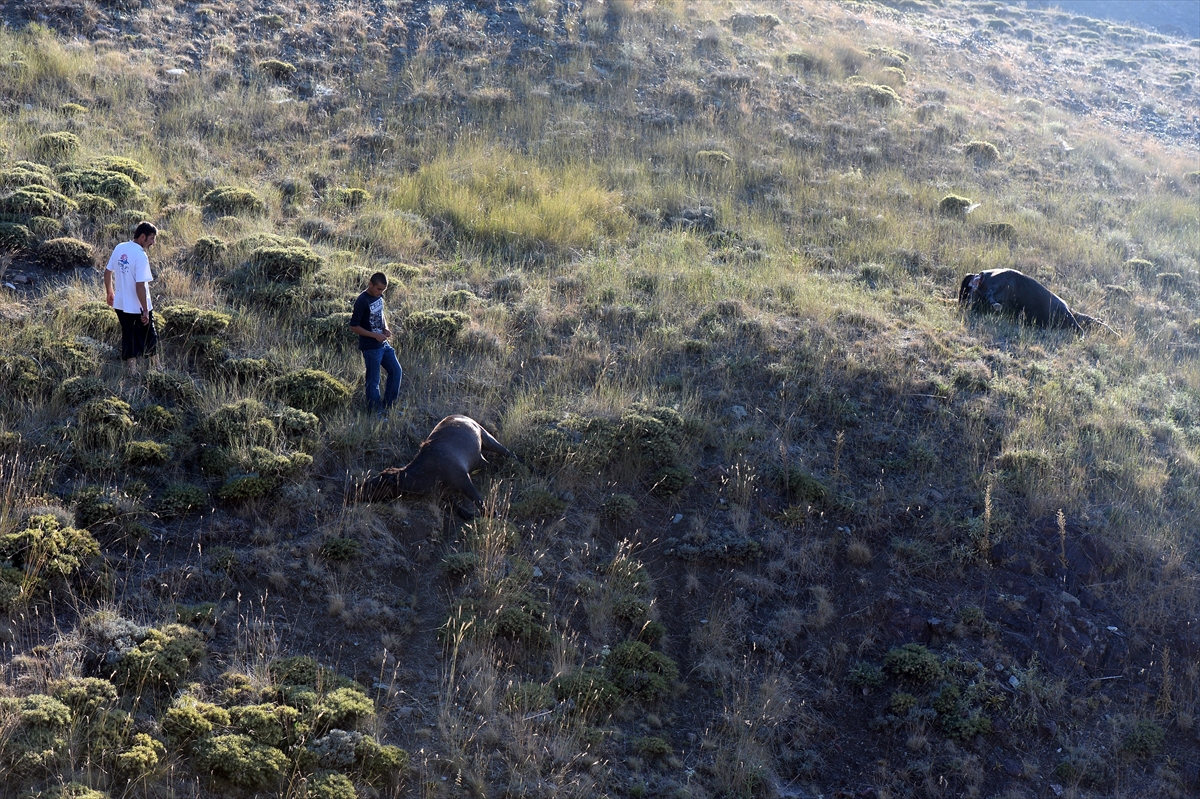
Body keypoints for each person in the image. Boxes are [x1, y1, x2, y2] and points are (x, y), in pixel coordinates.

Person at [104, 221, 158, 376]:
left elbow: (107, 272)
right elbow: (140, 286)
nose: (153, 242)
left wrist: (109, 292)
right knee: (149, 334)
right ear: (142, 237)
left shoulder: (120, 247)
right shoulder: (141, 255)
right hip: (137, 306)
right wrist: (146, 310)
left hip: (120, 304)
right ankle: (157, 366)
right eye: (151, 238)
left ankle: (132, 371)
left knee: (129, 335)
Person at [348, 271, 402, 413]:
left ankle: (389, 407)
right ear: (370, 284)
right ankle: (375, 412)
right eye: (378, 289)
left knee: (396, 371)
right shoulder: (362, 301)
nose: (381, 292)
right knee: (373, 382)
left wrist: (385, 328)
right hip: (371, 347)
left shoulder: (378, 296)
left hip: (383, 344)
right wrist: (374, 335)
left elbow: (380, 314)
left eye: (383, 290)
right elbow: (354, 326)